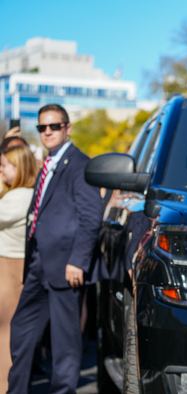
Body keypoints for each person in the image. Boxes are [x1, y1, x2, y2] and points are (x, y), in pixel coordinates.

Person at [7, 104, 104, 394]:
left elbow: (91, 217)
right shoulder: (47, 164)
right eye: (42, 128)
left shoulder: (80, 164)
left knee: (65, 342)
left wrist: (78, 260)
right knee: (21, 329)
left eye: (54, 126)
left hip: (66, 266)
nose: (47, 132)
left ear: (67, 128)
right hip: (38, 263)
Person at [0, 145, 38, 394]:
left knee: (6, 333)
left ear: (20, 168)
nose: (1, 170)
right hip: (12, 267)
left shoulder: (19, 196)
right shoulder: (20, 193)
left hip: (10, 269)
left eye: (5, 166)